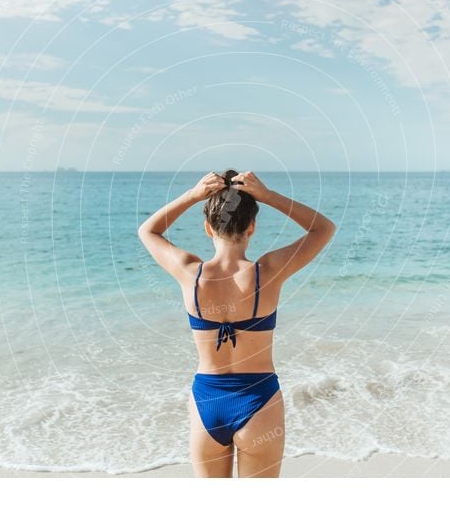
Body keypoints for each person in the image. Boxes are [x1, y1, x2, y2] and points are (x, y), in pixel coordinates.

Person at [137, 169, 336, 477]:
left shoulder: (190, 273)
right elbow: (322, 228)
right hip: (260, 402)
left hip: (208, 403)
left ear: (207, 228)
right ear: (252, 227)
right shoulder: (267, 271)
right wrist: (268, 196)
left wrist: (192, 195)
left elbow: (148, 232)